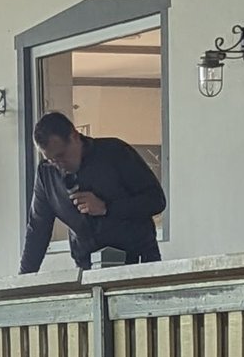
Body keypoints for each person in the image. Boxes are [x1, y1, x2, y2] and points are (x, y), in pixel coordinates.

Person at [20, 111, 166, 274]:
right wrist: (23, 281)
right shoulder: (46, 174)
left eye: (62, 155)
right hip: (87, 269)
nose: (59, 165)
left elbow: (156, 200)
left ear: (74, 136)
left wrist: (107, 208)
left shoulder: (114, 152)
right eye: (51, 160)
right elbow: (37, 230)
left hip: (138, 263)